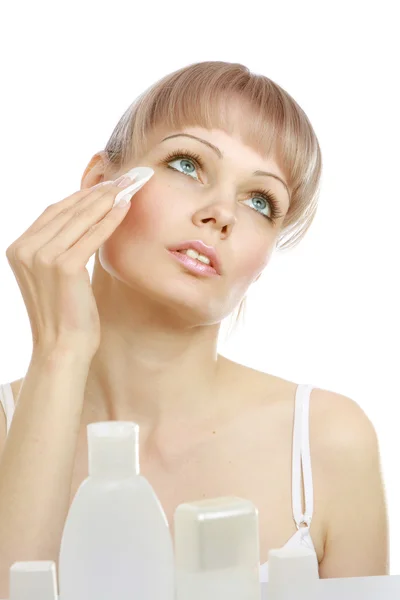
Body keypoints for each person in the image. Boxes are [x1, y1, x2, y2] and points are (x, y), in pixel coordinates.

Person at [0, 60, 389, 593]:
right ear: (98, 183)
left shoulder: (328, 442)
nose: (222, 212)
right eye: (187, 164)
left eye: (260, 201)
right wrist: (59, 351)